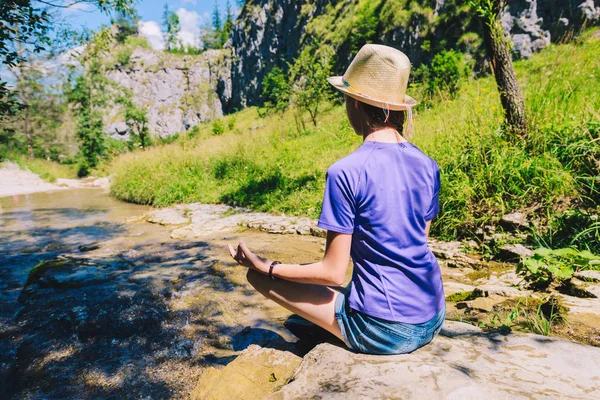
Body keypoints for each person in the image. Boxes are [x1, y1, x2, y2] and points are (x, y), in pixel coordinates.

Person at [228, 44, 445, 355]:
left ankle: (342, 326)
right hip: (433, 315)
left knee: (260, 277)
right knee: (300, 311)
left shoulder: (346, 171)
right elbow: (418, 242)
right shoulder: (427, 165)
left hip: (387, 330)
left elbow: (332, 272)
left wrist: (268, 266)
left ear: (355, 103)